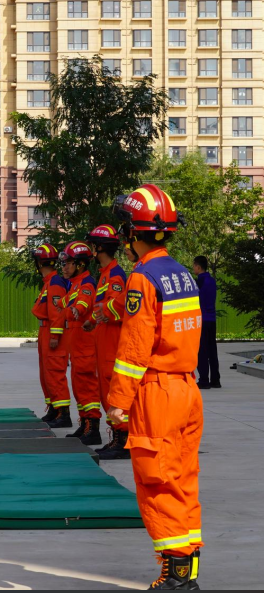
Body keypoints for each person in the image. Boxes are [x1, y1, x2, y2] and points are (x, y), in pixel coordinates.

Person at [108, 183, 203, 589]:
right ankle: (188, 570)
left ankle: (177, 576)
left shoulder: (143, 279)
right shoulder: (182, 274)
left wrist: (117, 402)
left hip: (158, 393)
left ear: (133, 233)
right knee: (182, 479)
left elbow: (134, 348)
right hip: (186, 390)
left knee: (157, 482)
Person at [50, 241, 102, 445]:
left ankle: (93, 428)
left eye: (68, 263)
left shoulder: (86, 283)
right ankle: (85, 424)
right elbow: (67, 300)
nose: (63, 267)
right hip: (78, 346)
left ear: (80, 264)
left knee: (87, 387)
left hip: (86, 347)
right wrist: (61, 304)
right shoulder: (76, 283)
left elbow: (83, 301)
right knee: (79, 387)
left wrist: (76, 310)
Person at [86, 225, 130, 461]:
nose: (92, 248)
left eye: (94, 244)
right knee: (105, 391)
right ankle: (116, 436)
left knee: (114, 392)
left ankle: (123, 439)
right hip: (102, 338)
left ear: (100, 247)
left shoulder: (115, 275)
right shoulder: (104, 273)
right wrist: (93, 319)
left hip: (112, 340)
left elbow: (115, 308)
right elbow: (100, 308)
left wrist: (101, 314)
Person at [30, 244, 72, 424]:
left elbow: (57, 312)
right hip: (45, 330)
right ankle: (54, 408)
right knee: (46, 373)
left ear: (39, 263)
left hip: (52, 332)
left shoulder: (54, 283)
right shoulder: (49, 282)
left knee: (55, 372)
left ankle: (63, 414)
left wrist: (55, 336)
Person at [193, 255, 220, 389]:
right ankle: (215, 380)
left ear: (198, 267)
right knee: (212, 350)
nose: (193, 269)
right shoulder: (212, 280)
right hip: (212, 319)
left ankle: (204, 380)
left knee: (202, 350)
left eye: (194, 266)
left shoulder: (199, 282)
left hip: (202, 319)